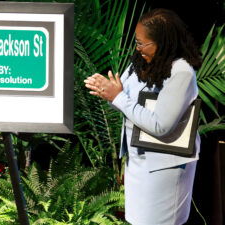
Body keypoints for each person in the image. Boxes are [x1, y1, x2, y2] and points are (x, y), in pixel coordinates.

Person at [84, 8, 202, 225]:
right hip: (137, 160)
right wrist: (109, 94)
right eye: (136, 43)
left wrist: (118, 97)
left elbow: (161, 126)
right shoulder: (138, 64)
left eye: (141, 43)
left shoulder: (182, 72)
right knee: (137, 220)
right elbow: (127, 106)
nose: (137, 49)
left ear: (164, 43)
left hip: (165, 166)